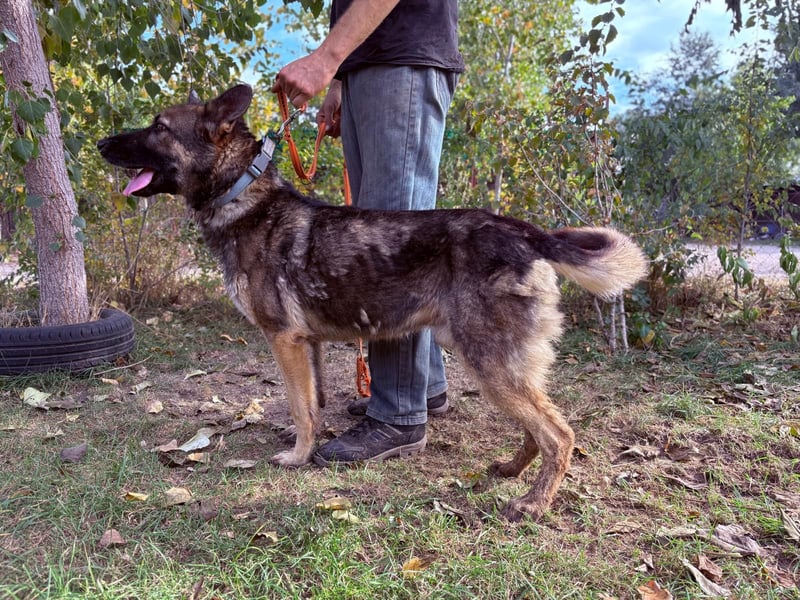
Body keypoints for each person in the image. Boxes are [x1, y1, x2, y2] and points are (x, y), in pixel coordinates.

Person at [272, 0, 464, 465]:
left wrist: (325, 59)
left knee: (389, 251)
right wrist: (340, 79)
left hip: (402, 60)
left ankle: (398, 414)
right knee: (380, 234)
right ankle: (426, 387)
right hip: (371, 66)